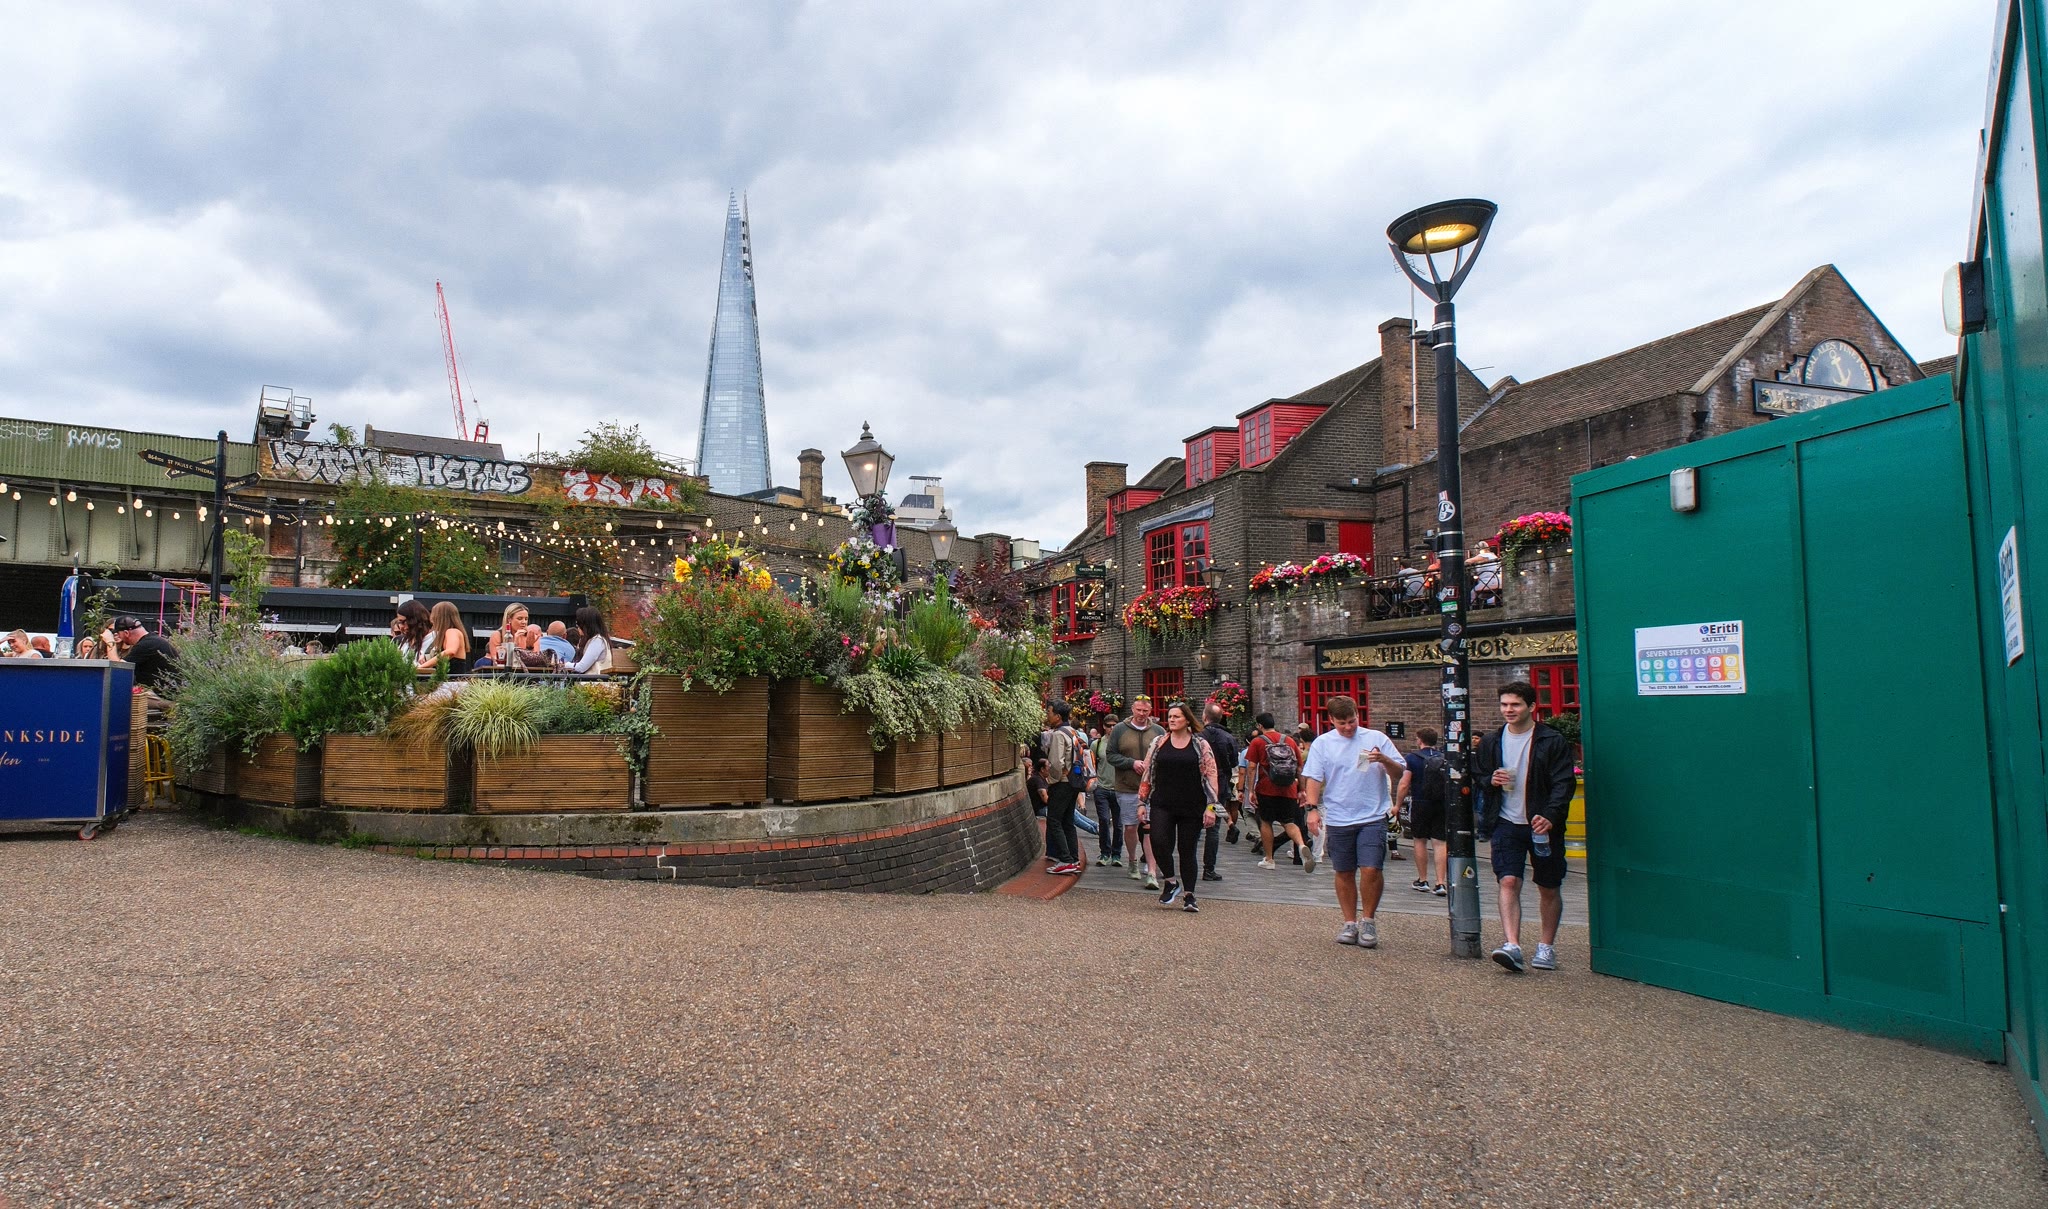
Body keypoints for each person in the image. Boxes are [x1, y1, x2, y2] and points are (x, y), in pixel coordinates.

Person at [1471, 681, 1577, 974]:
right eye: (1504, 704)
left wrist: (1551, 815)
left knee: (1548, 886)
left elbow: (1563, 782)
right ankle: (1512, 944)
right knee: (1507, 880)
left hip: (1542, 825)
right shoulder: (1492, 741)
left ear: (1531, 707)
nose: (1509, 710)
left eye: (1515, 704)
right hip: (1506, 821)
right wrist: (1490, 780)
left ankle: (1546, 946)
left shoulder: (1551, 741)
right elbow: (1479, 774)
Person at [1300, 695, 1409, 950]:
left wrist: (1384, 760)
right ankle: (1349, 922)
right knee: (1344, 870)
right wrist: (1312, 810)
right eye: (1342, 723)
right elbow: (1313, 778)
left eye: (1351, 721)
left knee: (1371, 868)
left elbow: (1400, 771)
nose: (1348, 727)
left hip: (1372, 815)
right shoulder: (1323, 744)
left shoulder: (1376, 738)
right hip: (1339, 816)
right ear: (1331, 720)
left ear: (1357, 716)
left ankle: (1368, 920)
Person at [1136, 702, 1220, 914]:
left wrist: (1211, 807)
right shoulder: (1159, 742)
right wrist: (1141, 801)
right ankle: (1171, 881)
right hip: (1162, 802)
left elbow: (1211, 774)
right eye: (1170, 716)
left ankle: (1189, 895)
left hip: (1191, 805)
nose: (1172, 720)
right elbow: (1148, 772)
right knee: (1158, 841)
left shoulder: (1200, 745)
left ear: (1187, 720)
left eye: (1177, 716)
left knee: (1187, 849)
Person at [1103, 695, 1167, 890]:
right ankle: (1132, 860)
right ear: (1132, 709)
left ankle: (1152, 870)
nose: (1142, 714)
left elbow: (1165, 754)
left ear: (1150, 711)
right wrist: (1132, 763)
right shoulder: (1119, 730)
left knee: (1149, 828)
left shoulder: (1158, 731)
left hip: (1152, 788)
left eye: (1145, 711)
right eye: (1139, 710)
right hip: (1127, 786)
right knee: (1131, 827)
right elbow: (1111, 755)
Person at [1247, 712, 1312, 872]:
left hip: (1266, 788)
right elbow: (1299, 767)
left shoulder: (1257, 741)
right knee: (1289, 822)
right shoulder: (1289, 740)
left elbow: (1252, 767)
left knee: (1266, 822)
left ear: (1260, 726)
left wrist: (1250, 790)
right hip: (1288, 788)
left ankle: (1269, 859)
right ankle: (1302, 845)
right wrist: (1302, 789)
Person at [1040, 700, 1087, 876]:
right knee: (1068, 821)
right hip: (1074, 782)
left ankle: (1066, 860)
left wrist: (1051, 781)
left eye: (1049, 712)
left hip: (1062, 783)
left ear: (1058, 716)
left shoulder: (1059, 734)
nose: (1048, 715)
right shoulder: (1073, 731)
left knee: (1054, 820)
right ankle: (1073, 858)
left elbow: (1055, 763)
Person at [1402, 727, 1450, 897]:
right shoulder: (1444, 758)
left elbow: (1404, 784)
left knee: (1420, 841)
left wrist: (1397, 804)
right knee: (1440, 843)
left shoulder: (1412, 758)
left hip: (1420, 803)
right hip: (1440, 803)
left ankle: (1423, 880)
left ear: (1419, 740)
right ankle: (1441, 882)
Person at [1199, 701, 1241, 882]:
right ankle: (1209, 869)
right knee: (1213, 829)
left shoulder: (1198, 737)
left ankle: (1187, 864)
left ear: (1204, 717)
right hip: (1219, 785)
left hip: (1198, 786)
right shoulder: (1228, 738)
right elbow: (1233, 763)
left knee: (1191, 827)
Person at [105, 615, 179, 691]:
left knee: (117, 694)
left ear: (126, 633)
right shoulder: (152, 640)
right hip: (167, 690)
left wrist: (110, 642)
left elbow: (117, 668)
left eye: (119, 634)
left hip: (164, 694)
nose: (119, 637)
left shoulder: (146, 645)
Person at [1090, 710, 1124, 868]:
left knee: (1118, 824)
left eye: (1114, 725)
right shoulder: (1096, 744)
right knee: (1103, 820)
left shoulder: (1123, 744)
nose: (1111, 728)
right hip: (1102, 787)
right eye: (1109, 725)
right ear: (1103, 727)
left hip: (1119, 788)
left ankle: (1116, 854)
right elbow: (1091, 764)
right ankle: (1104, 852)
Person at [419, 601, 471, 675]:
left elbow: (451, 651)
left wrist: (422, 667)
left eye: (433, 614)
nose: (431, 618)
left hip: (451, 680)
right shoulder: (445, 634)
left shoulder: (452, 631)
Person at [569, 606, 612, 674]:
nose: (578, 627)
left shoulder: (597, 641)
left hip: (594, 679)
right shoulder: (595, 640)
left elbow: (581, 667)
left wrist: (563, 664)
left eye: (579, 624)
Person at [486, 602, 531, 666]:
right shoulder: (497, 635)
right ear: (509, 619)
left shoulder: (529, 636)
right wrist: (515, 644)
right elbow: (497, 662)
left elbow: (535, 661)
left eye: (526, 619)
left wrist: (530, 646)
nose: (524, 622)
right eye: (520, 618)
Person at [396, 600, 434, 665]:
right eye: (399, 622)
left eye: (403, 622)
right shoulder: (403, 641)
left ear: (414, 621)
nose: (401, 626)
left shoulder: (434, 639)